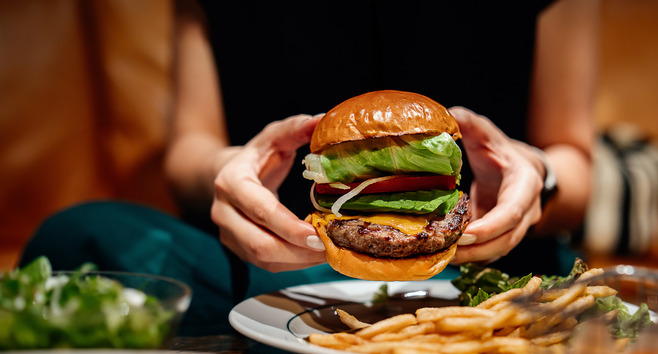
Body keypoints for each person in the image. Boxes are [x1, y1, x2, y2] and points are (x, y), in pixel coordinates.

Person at [20, 0, 599, 330]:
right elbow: (189, 150)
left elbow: (575, 162)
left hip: (488, 256)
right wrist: (230, 169)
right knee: (75, 236)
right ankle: (362, 316)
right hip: (277, 254)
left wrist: (536, 178)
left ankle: (342, 319)